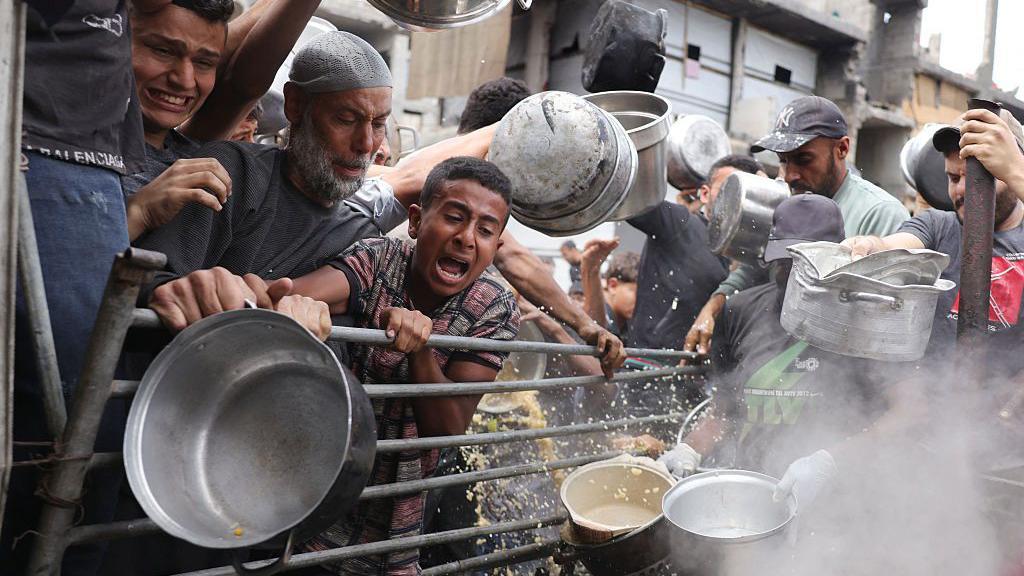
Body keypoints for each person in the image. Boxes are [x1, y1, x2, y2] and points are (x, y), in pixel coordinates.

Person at [289, 157, 520, 575]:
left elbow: (448, 427)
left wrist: (420, 350)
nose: (466, 238)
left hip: (397, 517)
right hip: (315, 487)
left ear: (495, 248)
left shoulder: (493, 306)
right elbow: (299, 295)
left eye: (485, 231)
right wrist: (297, 303)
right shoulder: (381, 259)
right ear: (415, 221)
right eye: (454, 218)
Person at [661, 194, 910, 518]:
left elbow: (908, 415)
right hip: (756, 498)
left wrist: (830, 462)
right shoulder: (739, 311)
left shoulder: (868, 316)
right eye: (784, 261)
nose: (793, 273)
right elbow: (726, 411)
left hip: (839, 507)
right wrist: (689, 449)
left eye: (806, 262)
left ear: (838, 259)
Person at [843, 108, 1024, 449]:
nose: (964, 190)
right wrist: (870, 246)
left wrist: (1016, 169)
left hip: (1010, 449)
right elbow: (896, 247)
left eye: (982, 176)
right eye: (955, 178)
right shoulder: (939, 227)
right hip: (934, 441)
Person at [686, 96, 910, 356]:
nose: (791, 175)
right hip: (776, 349)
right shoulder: (786, 201)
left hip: (841, 366)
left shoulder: (879, 213)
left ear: (842, 149)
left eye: (803, 159)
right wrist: (713, 308)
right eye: (784, 161)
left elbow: (886, 315)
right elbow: (754, 268)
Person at [627, 155, 754, 352]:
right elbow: (631, 197)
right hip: (648, 366)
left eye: (744, 192)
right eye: (727, 189)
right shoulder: (681, 222)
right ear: (704, 194)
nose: (735, 199)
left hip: (704, 375)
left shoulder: (752, 252)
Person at [579, 239, 639, 341]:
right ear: (613, 286)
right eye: (636, 292)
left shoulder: (627, 324)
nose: (641, 300)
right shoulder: (593, 316)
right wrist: (592, 269)